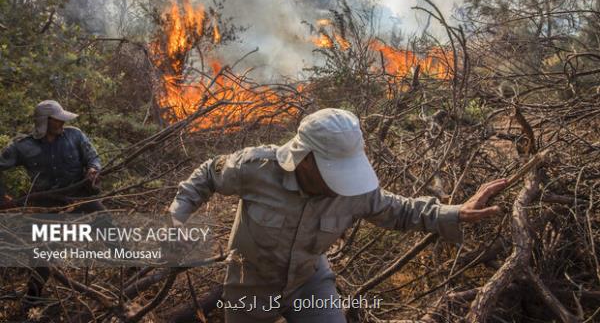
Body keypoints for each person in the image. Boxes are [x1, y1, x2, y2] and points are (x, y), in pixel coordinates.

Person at [169, 108, 506, 323]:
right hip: (250, 287)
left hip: (308, 285)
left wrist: (455, 213)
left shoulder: (355, 192)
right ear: (304, 158)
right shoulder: (254, 168)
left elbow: (399, 210)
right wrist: (176, 218)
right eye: (333, 172)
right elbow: (208, 175)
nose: (341, 185)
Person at [0, 99, 104, 309]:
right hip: (48, 206)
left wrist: (93, 169)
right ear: (45, 122)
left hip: (80, 197)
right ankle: (33, 299)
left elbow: (93, 157)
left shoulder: (75, 135)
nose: (63, 123)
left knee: (108, 225)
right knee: (46, 252)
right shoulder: (23, 146)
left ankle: (134, 270)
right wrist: (2, 198)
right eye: (58, 120)